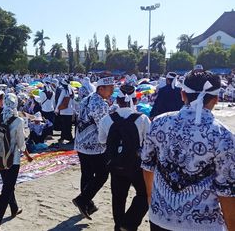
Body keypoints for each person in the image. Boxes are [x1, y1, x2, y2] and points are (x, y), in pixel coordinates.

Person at [141, 70, 235, 231]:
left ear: (183, 94)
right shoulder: (223, 136)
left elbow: (147, 167)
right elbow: (226, 192)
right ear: (216, 99)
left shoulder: (158, 123)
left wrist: (152, 200)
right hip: (203, 224)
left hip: (160, 219)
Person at [98, 84, 150, 231]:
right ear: (134, 100)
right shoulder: (143, 119)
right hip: (136, 164)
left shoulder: (107, 119)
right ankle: (128, 224)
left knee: (118, 198)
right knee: (144, 194)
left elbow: (102, 140)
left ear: (117, 100)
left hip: (115, 164)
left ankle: (118, 226)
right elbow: (149, 141)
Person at [0, 93, 34, 231]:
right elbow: (21, 143)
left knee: (8, 184)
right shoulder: (18, 121)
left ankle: (14, 208)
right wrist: (27, 155)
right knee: (7, 188)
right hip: (12, 159)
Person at [73, 76, 114, 219]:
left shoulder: (87, 98)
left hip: (80, 143)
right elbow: (103, 127)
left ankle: (87, 204)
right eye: (110, 89)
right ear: (101, 88)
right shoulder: (100, 104)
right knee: (102, 175)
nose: (112, 92)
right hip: (93, 146)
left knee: (87, 174)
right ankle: (83, 200)